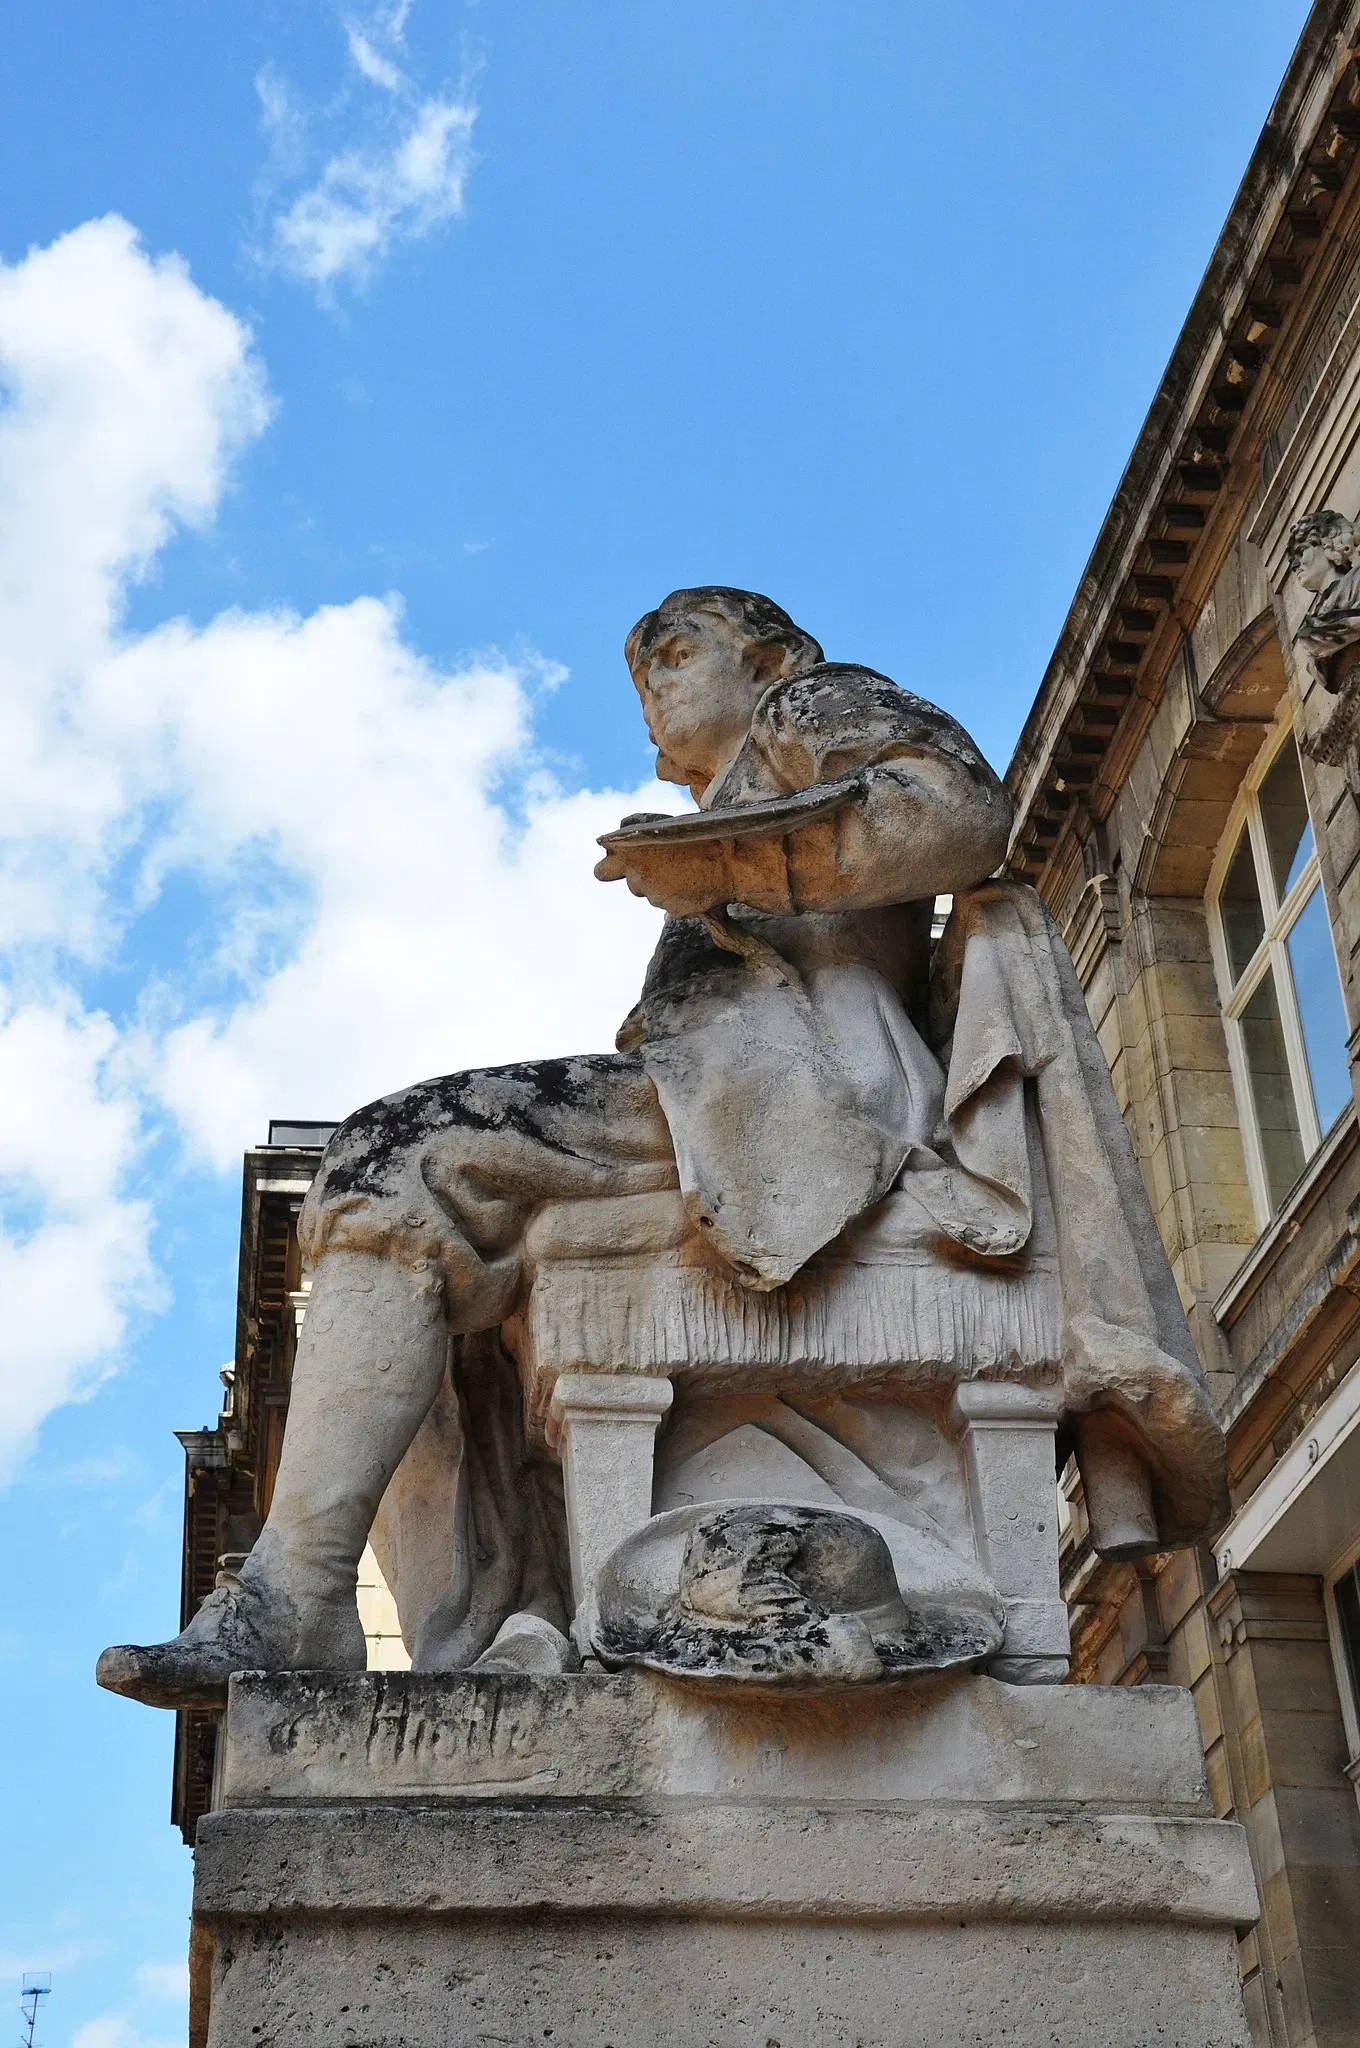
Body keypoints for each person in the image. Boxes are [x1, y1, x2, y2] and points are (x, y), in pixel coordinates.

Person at [98, 588, 1223, 1706]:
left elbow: (957, 811)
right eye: (642, 676)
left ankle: (308, 1595)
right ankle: (438, 1604)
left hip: (812, 1101)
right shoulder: (746, 779)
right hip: (730, 1102)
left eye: (678, 655)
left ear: (771, 658)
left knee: (395, 1162)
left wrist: (725, 861)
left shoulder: (806, 707)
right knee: (410, 1217)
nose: (654, 691)